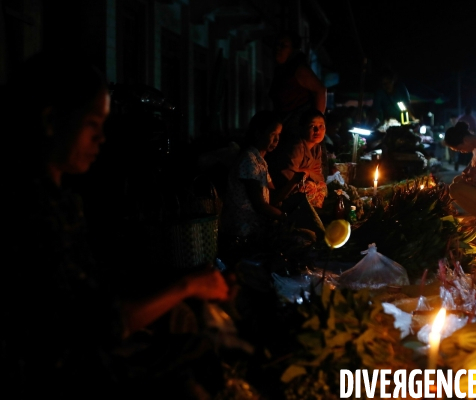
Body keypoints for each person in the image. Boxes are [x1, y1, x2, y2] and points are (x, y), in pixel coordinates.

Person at [1, 51, 229, 399]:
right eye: (92, 125)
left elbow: (100, 281)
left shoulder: (62, 197)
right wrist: (184, 285)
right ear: (50, 121)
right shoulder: (28, 209)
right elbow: (92, 324)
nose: (101, 139)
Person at [221, 110, 286, 242]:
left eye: (279, 135)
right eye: (273, 134)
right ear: (258, 134)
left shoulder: (260, 161)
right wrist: (285, 217)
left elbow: (273, 194)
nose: (277, 139)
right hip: (243, 230)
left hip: (254, 225)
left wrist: (296, 181)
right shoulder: (249, 160)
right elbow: (259, 205)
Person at [268, 30, 327, 144]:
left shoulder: (298, 69)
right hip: (285, 128)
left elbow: (320, 90)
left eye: (283, 46)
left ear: (293, 50)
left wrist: (316, 123)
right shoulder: (282, 70)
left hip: (296, 131)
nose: (278, 48)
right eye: (276, 45)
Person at [269, 108, 328, 210]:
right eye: (312, 126)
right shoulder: (297, 146)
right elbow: (289, 176)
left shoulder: (317, 148)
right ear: (302, 128)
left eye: (321, 126)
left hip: (300, 182)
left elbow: (320, 177)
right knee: (310, 186)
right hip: (285, 190)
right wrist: (307, 174)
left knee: (322, 186)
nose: (317, 130)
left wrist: (307, 172)